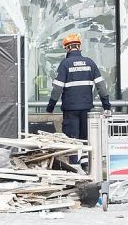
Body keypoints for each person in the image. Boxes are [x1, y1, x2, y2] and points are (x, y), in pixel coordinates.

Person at [45, 33, 112, 164]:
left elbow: (57, 89)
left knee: (72, 140)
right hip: (86, 109)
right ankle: (85, 165)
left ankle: (75, 167)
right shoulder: (90, 63)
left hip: (70, 110)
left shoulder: (65, 64)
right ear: (79, 47)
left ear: (67, 48)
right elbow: (101, 87)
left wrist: (50, 107)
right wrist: (107, 106)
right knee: (84, 139)